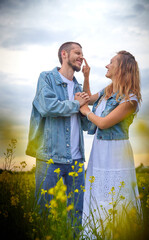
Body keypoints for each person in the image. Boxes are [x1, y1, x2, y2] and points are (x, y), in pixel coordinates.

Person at [26, 42, 90, 227]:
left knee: (77, 212)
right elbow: (48, 107)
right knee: (43, 210)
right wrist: (77, 105)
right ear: (64, 54)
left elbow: (85, 123)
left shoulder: (79, 89)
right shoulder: (46, 78)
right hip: (50, 156)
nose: (81, 57)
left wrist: (86, 103)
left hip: (76, 159)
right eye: (77, 52)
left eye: (82, 53)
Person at [80, 51, 142, 236]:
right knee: (97, 193)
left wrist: (85, 112)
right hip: (99, 150)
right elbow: (88, 98)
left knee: (116, 195)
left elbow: (104, 123)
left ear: (121, 68)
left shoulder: (131, 99)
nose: (107, 66)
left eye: (111, 62)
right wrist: (86, 76)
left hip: (116, 152)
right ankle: (94, 234)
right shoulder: (107, 91)